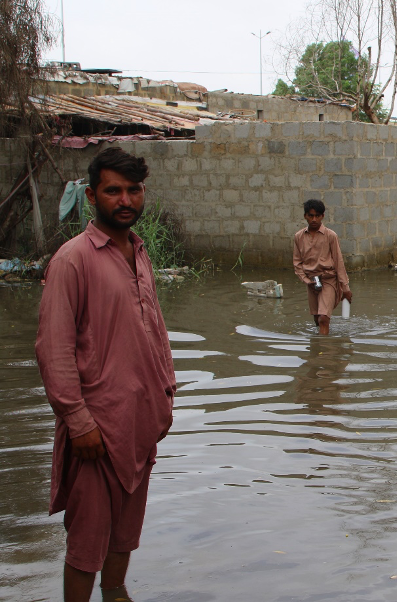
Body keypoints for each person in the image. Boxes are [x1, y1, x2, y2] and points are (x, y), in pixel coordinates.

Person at [35, 147, 176, 602]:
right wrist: (78, 421)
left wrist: (166, 396)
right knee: (87, 542)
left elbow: (155, 331)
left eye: (133, 190)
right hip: (95, 429)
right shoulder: (72, 260)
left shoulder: (139, 253)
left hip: (139, 423)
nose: (125, 200)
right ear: (93, 196)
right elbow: (53, 349)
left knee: (124, 534)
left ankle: (116, 594)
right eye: (113, 191)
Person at [293, 199, 352, 335]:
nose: (314, 219)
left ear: (322, 216)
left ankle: (323, 353)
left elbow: (338, 261)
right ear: (305, 216)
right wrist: (307, 281)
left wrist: (345, 287)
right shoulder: (299, 237)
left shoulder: (330, 236)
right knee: (316, 319)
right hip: (311, 281)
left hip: (328, 279)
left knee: (323, 319)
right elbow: (297, 263)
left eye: (317, 216)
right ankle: (318, 347)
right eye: (310, 216)